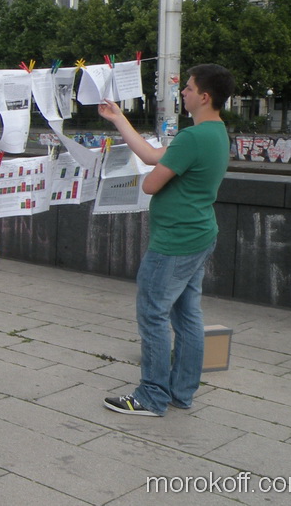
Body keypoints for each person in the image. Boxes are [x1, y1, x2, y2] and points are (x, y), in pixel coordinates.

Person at [99, 63, 234, 417]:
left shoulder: (193, 138)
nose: (183, 92)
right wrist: (118, 118)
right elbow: (151, 155)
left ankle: (152, 396)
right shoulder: (217, 133)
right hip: (199, 234)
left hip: (175, 240)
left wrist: (156, 177)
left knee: (153, 314)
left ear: (204, 97)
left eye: (188, 88)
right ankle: (181, 392)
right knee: (187, 316)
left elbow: (150, 183)